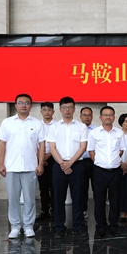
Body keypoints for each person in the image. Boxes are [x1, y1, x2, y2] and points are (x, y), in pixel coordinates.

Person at [0, 93, 46, 239]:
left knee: (30, 198)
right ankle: (15, 226)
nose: (23, 105)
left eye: (26, 103)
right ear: (15, 105)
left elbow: (42, 145)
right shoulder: (7, 122)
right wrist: (1, 163)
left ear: (31, 105)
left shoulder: (37, 123)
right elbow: (1, 143)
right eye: (20, 102)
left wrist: (40, 164)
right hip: (11, 167)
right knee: (13, 199)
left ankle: (29, 226)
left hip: (30, 167)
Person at [46, 97, 88, 239]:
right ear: (60, 109)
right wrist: (63, 164)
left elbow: (83, 147)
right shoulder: (54, 127)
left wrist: (70, 163)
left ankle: (79, 226)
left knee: (78, 197)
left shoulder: (81, 127)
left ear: (74, 109)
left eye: (70, 107)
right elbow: (52, 148)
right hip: (59, 166)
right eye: (64, 107)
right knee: (58, 198)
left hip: (77, 165)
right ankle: (59, 227)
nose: (67, 110)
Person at [88, 105, 125, 239]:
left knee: (115, 200)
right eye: (105, 115)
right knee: (99, 201)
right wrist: (99, 162)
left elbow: (121, 150)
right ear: (100, 117)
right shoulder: (94, 133)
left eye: (110, 115)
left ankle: (114, 226)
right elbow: (91, 150)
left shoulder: (119, 133)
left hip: (115, 171)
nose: (108, 117)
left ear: (114, 117)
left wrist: (113, 162)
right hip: (99, 172)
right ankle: (101, 227)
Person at [36, 102, 56, 222]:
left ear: (53, 111)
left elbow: (59, 144)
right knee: (43, 186)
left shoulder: (58, 125)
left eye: (49, 110)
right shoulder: (37, 125)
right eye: (44, 110)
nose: (47, 112)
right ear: (41, 112)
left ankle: (54, 210)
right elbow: (34, 142)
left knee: (54, 186)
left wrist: (47, 156)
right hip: (39, 159)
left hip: (54, 158)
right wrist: (41, 158)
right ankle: (44, 210)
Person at [78, 107, 95, 219]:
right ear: (80, 117)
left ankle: (99, 210)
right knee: (82, 188)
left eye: (89, 115)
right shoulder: (77, 129)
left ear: (92, 117)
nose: (87, 117)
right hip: (80, 162)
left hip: (94, 162)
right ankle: (83, 210)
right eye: (84, 115)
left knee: (96, 187)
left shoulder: (97, 130)